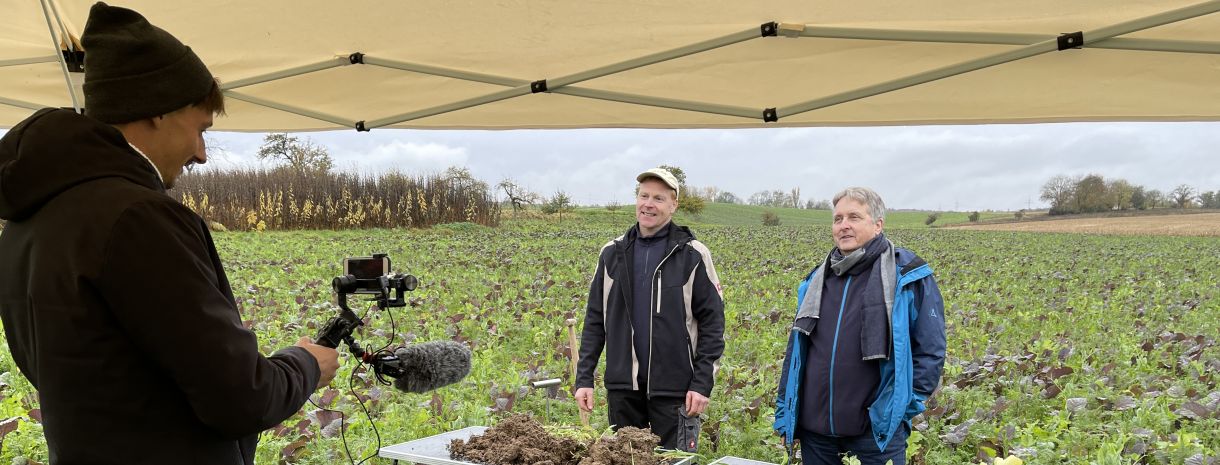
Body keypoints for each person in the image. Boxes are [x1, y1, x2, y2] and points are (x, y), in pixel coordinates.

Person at [0, 3, 339, 464]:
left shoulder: (28, 221)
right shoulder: (137, 217)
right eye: (200, 129)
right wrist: (304, 365)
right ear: (158, 110)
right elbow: (240, 397)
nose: (201, 154)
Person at [773, 187, 946, 465]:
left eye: (854, 217)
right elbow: (796, 353)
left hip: (874, 435)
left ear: (878, 225)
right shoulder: (816, 280)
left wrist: (899, 408)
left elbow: (930, 351)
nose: (844, 226)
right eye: (838, 218)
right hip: (815, 434)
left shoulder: (908, 276)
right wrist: (786, 413)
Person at [574, 167, 725, 451]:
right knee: (625, 458)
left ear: (673, 204)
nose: (648, 204)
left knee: (674, 460)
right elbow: (595, 320)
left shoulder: (692, 255)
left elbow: (713, 326)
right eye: (644, 196)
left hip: (676, 391)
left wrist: (702, 383)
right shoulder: (612, 253)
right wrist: (584, 378)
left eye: (658, 198)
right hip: (623, 390)